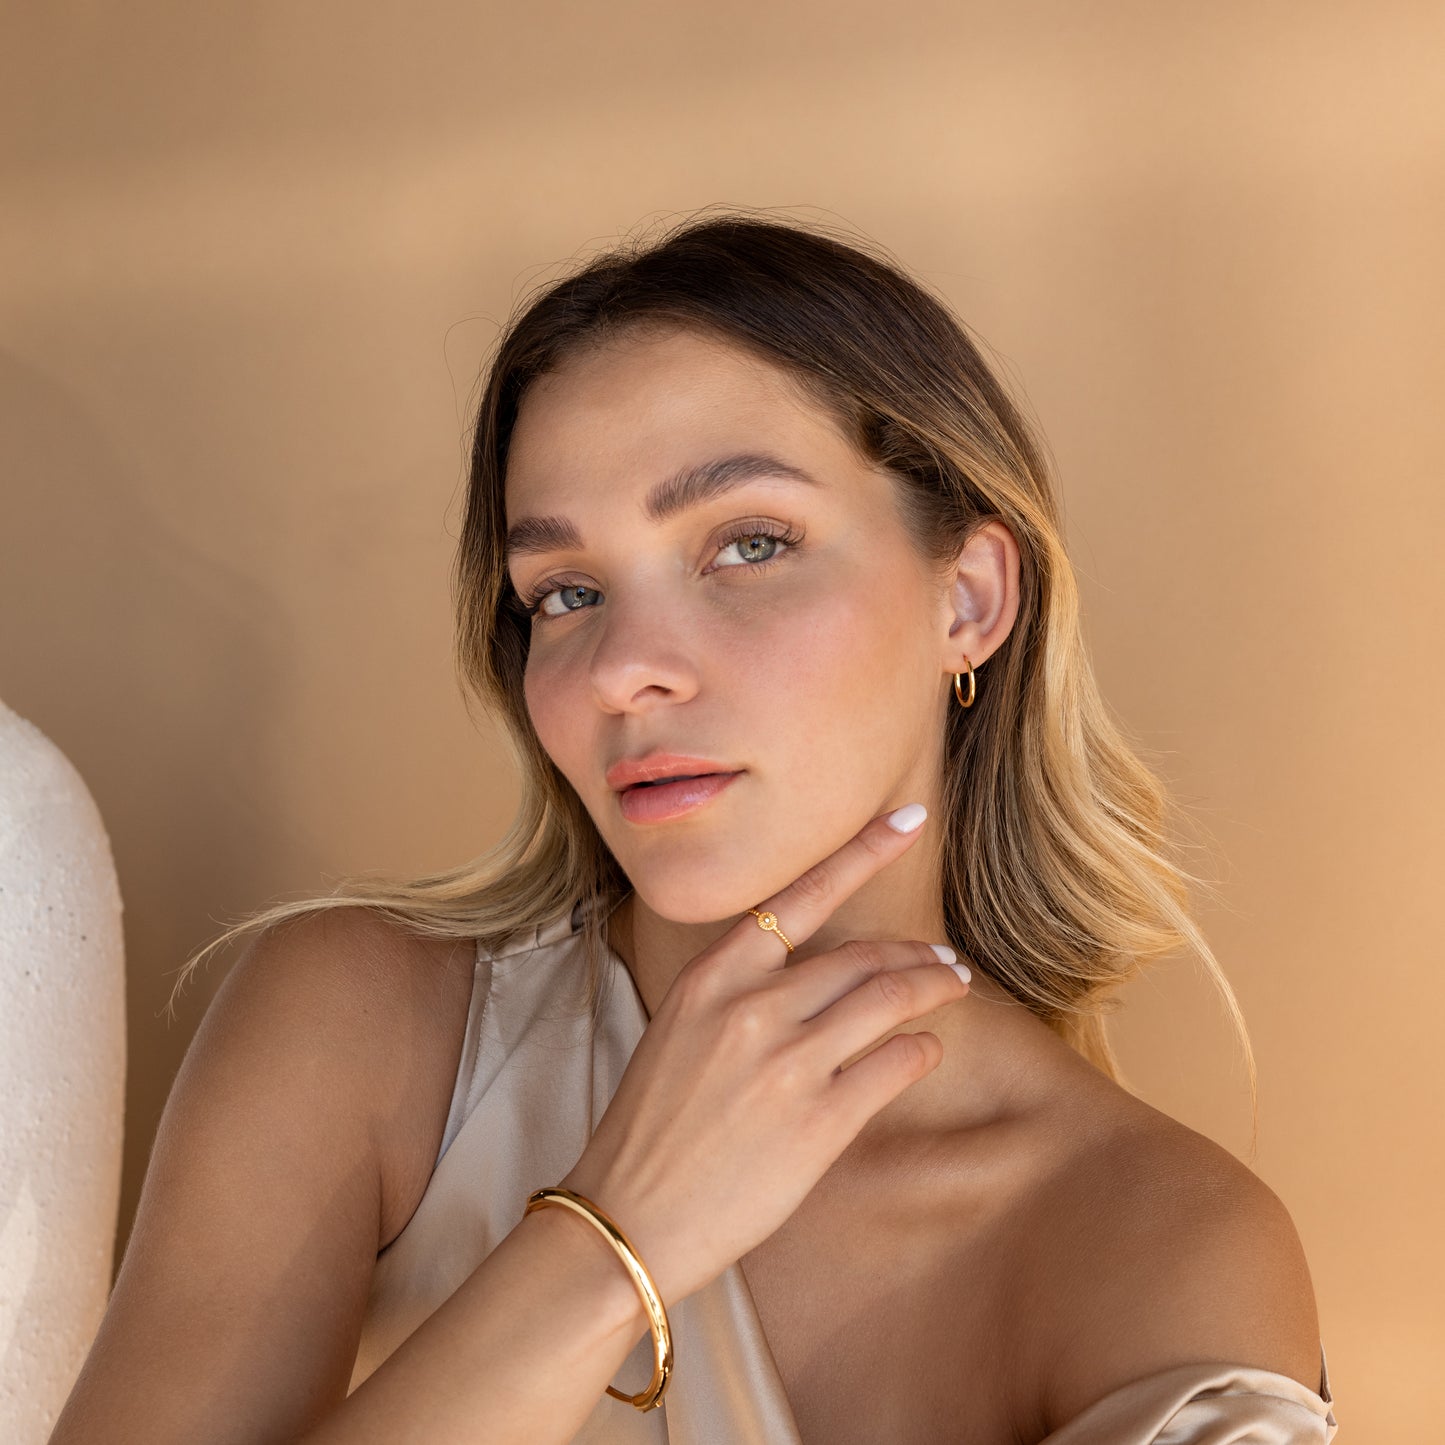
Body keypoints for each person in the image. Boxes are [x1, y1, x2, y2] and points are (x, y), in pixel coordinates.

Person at [50, 213, 1338, 1444]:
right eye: (566, 592)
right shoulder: (364, 1034)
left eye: (749, 545)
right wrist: (611, 1235)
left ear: (968, 599)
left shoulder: (1154, 1242)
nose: (624, 668)